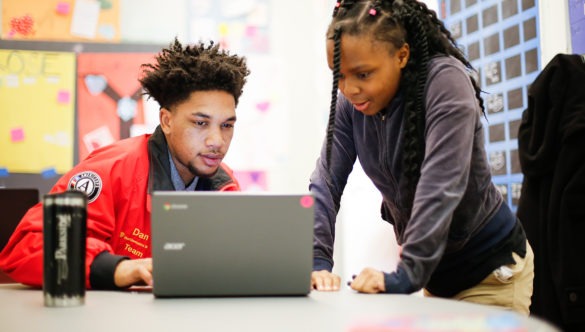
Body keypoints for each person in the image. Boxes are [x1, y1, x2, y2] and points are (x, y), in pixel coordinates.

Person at [309, 0, 534, 315]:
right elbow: (325, 182)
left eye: (362, 74)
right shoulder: (351, 105)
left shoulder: (445, 82)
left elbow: (441, 184)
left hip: (491, 273)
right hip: (436, 277)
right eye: (339, 77)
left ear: (401, 55)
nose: (349, 89)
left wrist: (406, 275)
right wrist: (318, 261)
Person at [0, 38, 250, 290]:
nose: (217, 140)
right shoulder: (111, 169)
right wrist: (118, 268)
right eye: (200, 123)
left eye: (227, 125)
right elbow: (29, 247)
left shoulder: (225, 185)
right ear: (166, 120)